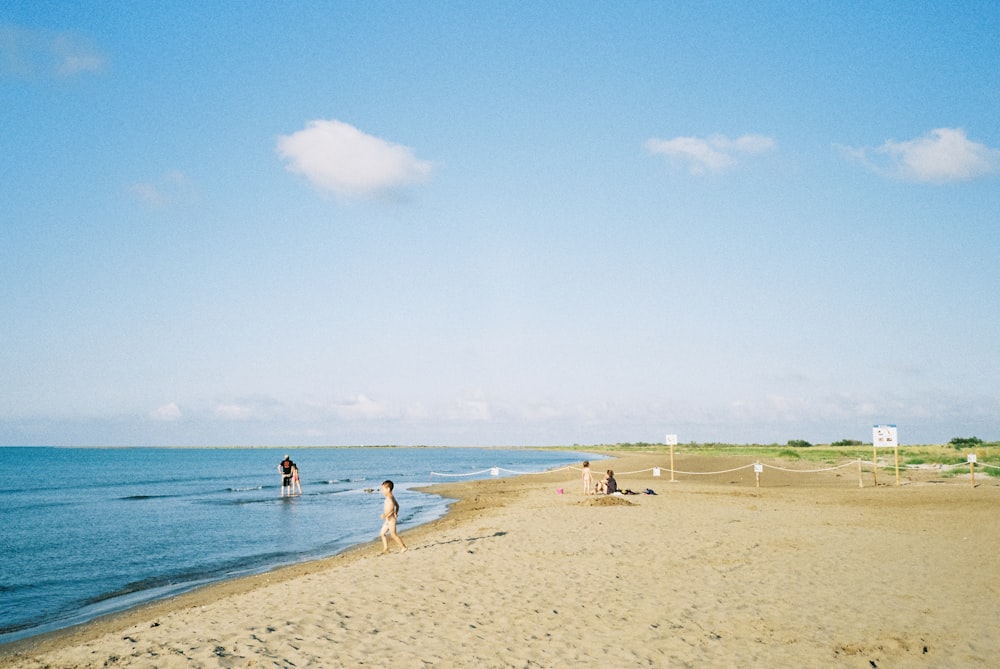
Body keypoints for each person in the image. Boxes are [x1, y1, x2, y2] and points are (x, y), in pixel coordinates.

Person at [379, 480, 407, 554]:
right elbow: (397, 505)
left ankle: (403, 547)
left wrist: (385, 515)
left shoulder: (390, 498)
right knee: (382, 533)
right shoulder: (391, 497)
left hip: (391, 520)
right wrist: (396, 512)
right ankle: (386, 548)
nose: (382, 491)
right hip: (388, 520)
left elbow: (391, 508)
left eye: (383, 489)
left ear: (388, 489)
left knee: (393, 534)